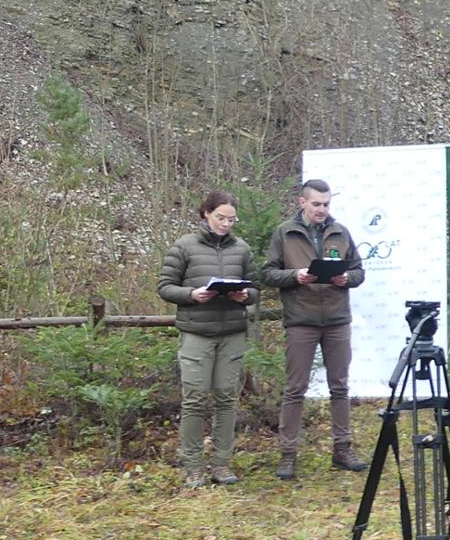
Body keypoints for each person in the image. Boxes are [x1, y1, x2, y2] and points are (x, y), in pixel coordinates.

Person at [260, 179, 369, 480]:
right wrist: (296, 276)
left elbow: (359, 271)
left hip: (336, 319)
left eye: (326, 204)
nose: (322, 209)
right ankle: (288, 454)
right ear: (302, 203)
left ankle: (342, 449)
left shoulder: (340, 232)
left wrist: (345, 278)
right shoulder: (285, 233)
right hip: (301, 319)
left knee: (340, 386)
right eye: (317, 204)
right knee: (295, 389)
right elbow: (268, 273)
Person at [157, 190, 257, 488]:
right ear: (206, 214)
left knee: (227, 398)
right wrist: (192, 295)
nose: (226, 224)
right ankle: (193, 467)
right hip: (197, 333)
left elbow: (255, 289)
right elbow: (164, 287)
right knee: (195, 400)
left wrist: (244, 296)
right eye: (220, 218)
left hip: (232, 333)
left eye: (231, 219)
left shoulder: (242, 249)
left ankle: (222, 465)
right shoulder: (184, 246)